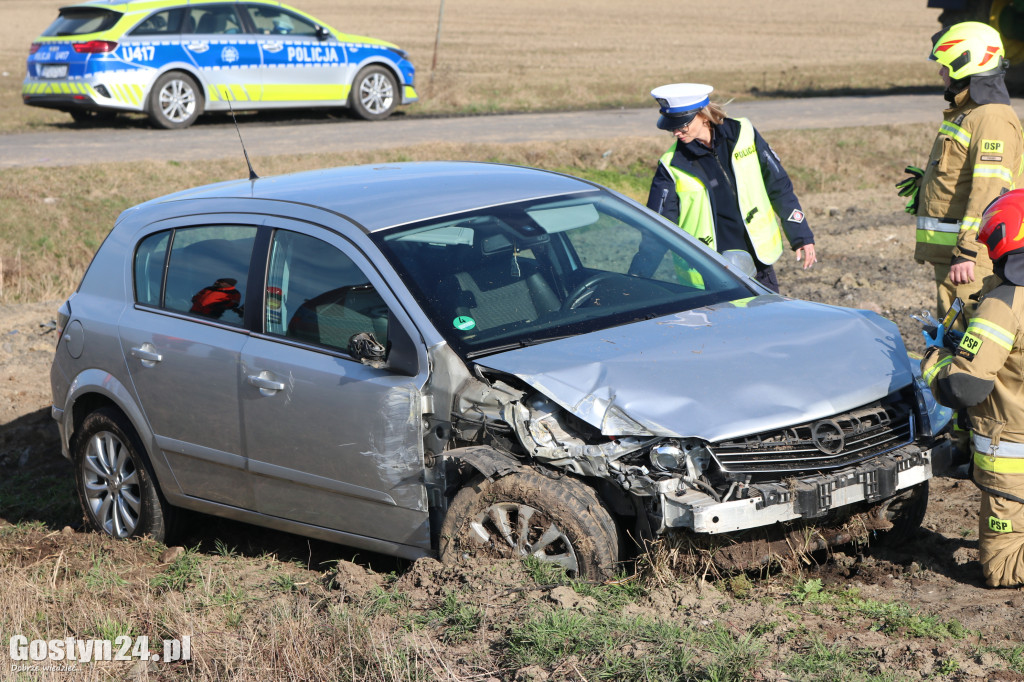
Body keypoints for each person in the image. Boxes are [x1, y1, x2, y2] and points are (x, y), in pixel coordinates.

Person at [921, 188, 1024, 588]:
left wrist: (934, 361)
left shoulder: (1004, 303)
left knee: (1002, 566)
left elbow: (964, 388)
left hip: (1013, 461)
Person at [898, 21, 1024, 328]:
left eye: (946, 66)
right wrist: (930, 187)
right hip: (953, 256)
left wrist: (967, 251)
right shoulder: (970, 114)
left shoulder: (991, 118)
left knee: (969, 349)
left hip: (972, 260)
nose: (941, 73)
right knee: (953, 342)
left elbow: (990, 190)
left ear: (968, 66)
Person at [646, 83, 816, 293]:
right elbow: (657, 228)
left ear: (703, 115)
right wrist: (636, 277)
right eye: (671, 127)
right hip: (709, 273)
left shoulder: (744, 134)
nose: (676, 133)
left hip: (758, 261)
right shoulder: (671, 165)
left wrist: (801, 236)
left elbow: (779, 185)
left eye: (682, 125)